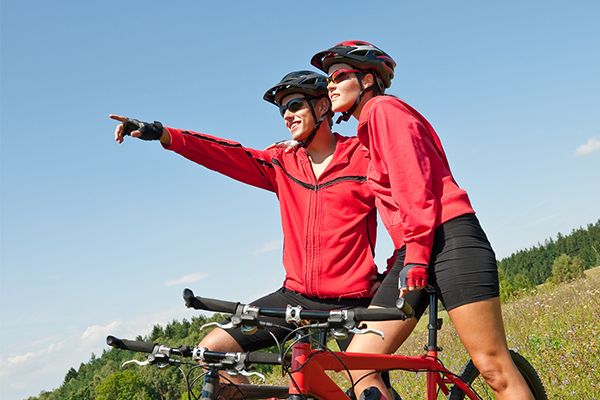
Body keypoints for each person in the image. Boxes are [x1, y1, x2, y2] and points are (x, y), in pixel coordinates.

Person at [110, 71, 381, 390]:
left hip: (354, 299)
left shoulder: (363, 156)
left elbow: (402, 213)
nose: (287, 116)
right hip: (294, 297)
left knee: (369, 385)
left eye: (294, 105)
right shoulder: (282, 163)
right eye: (282, 110)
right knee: (211, 352)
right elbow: (227, 154)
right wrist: (163, 134)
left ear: (323, 107)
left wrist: (393, 276)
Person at [310, 41, 535, 399]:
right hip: (414, 247)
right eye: (328, 80)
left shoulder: (384, 111)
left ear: (368, 79)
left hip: (449, 239)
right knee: (358, 362)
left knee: (492, 365)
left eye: (339, 76)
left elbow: (415, 189)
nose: (330, 85)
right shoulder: (366, 130)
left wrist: (414, 256)